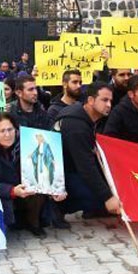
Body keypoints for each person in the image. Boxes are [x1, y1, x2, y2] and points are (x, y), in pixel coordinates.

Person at [0, 112, 65, 239]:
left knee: (38, 184)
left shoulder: (29, 144)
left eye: (10, 129)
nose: (7, 135)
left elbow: (45, 167)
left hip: (29, 191)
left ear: (16, 129)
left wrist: (55, 190)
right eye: (2, 131)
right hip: (5, 195)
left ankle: (34, 222)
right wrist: (12, 191)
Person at [54, 82, 120, 217]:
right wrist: (107, 197)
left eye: (110, 101)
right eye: (104, 100)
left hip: (70, 167)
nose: (109, 105)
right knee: (99, 199)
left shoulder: (83, 114)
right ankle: (60, 209)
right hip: (60, 176)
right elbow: (85, 166)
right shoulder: (76, 126)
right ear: (90, 100)